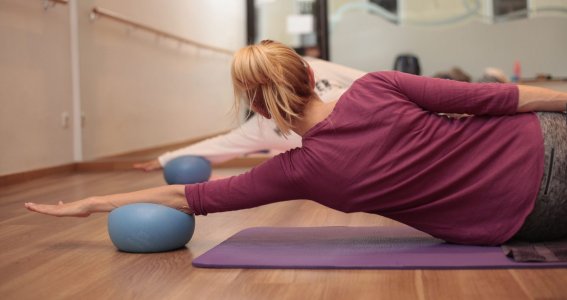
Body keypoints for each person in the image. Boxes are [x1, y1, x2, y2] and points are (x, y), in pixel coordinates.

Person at [25, 40, 567, 246]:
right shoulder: (381, 84)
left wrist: (92, 203)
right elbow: (505, 99)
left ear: (258, 108)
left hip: (523, 222)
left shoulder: (299, 171)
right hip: (542, 141)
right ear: (310, 74)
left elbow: (189, 197)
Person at [133, 57, 366, 171]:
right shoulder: (262, 127)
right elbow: (220, 145)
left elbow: (369, 81)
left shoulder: (313, 69)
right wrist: (164, 160)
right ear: (257, 107)